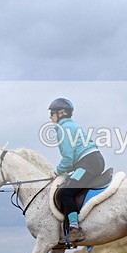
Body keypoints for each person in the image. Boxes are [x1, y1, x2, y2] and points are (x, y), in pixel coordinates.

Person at [48, 98, 106, 244]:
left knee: (64, 193)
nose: (50, 117)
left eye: (52, 113)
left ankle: (74, 229)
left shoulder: (63, 129)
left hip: (87, 164)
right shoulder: (73, 125)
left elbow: (68, 158)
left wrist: (57, 172)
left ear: (60, 114)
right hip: (93, 160)